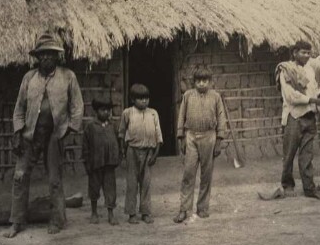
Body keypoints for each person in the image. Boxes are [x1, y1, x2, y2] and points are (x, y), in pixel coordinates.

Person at [4, 32, 84, 238]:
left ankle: (57, 220)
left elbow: (77, 106)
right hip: (30, 134)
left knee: (55, 179)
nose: (47, 58)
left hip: (54, 135)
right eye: (43, 54)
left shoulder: (68, 76)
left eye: (51, 54)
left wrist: (69, 130)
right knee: (20, 177)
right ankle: (16, 221)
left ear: (57, 56)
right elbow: (19, 107)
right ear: (37, 57)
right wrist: (17, 132)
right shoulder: (29, 78)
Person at [260, 40, 320, 201]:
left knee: (307, 155)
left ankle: (309, 188)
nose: (306, 56)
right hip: (294, 117)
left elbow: (315, 92)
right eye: (303, 52)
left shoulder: (311, 72)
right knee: (289, 154)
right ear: (295, 53)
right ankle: (287, 186)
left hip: (309, 117)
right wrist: (312, 100)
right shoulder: (286, 70)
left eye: (309, 53)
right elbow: (291, 96)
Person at [173, 65, 227, 223]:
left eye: (205, 81)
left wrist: (219, 140)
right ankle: (184, 209)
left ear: (210, 82)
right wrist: (181, 137)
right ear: (194, 82)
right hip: (191, 136)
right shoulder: (188, 96)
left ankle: (202, 207)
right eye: (198, 81)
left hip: (209, 136)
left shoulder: (216, 97)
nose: (202, 84)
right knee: (188, 174)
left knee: (206, 175)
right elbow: (181, 115)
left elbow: (221, 118)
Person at [118, 84, 163, 224]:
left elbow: (158, 136)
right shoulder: (127, 113)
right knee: (132, 183)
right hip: (132, 150)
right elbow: (121, 133)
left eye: (146, 98)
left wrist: (155, 154)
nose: (144, 101)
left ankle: (145, 212)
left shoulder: (153, 113)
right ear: (132, 99)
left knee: (146, 183)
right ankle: (131, 213)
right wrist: (123, 152)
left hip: (148, 152)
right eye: (140, 98)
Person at [82, 96, 120, 226]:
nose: (106, 113)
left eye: (108, 110)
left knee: (110, 189)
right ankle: (94, 212)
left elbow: (118, 142)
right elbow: (85, 146)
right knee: (94, 188)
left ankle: (111, 214)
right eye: (103, 110)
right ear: (96, 111)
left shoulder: (112, 126)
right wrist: (87, 163)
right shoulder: (90, 127)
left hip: (109, 164)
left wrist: (117, 157)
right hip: (95, 163)